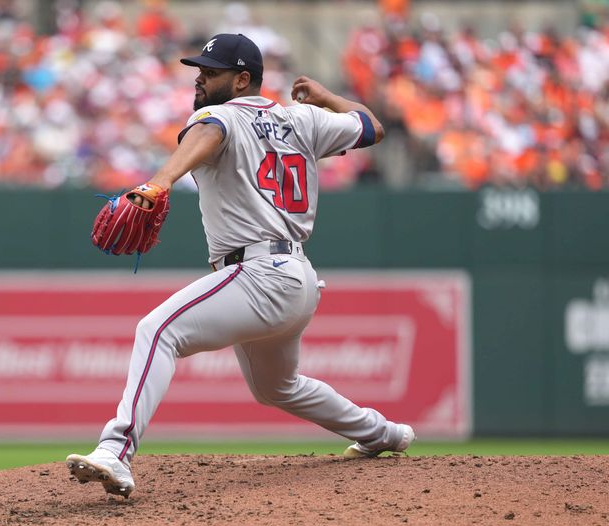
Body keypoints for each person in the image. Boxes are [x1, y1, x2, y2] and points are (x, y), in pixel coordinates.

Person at [66, 33, 415, 498]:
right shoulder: (304, 118)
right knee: (277, 388)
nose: (200, 78)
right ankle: (382, 433)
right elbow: (372, 127)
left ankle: (115, 450)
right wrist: (329, 98)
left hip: (257, 274)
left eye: (210, 73)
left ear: (241, 79)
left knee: (157, 330)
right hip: (299, 280)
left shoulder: (217, 114)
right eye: (200, 70)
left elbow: (212, 133)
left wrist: (158, 182)